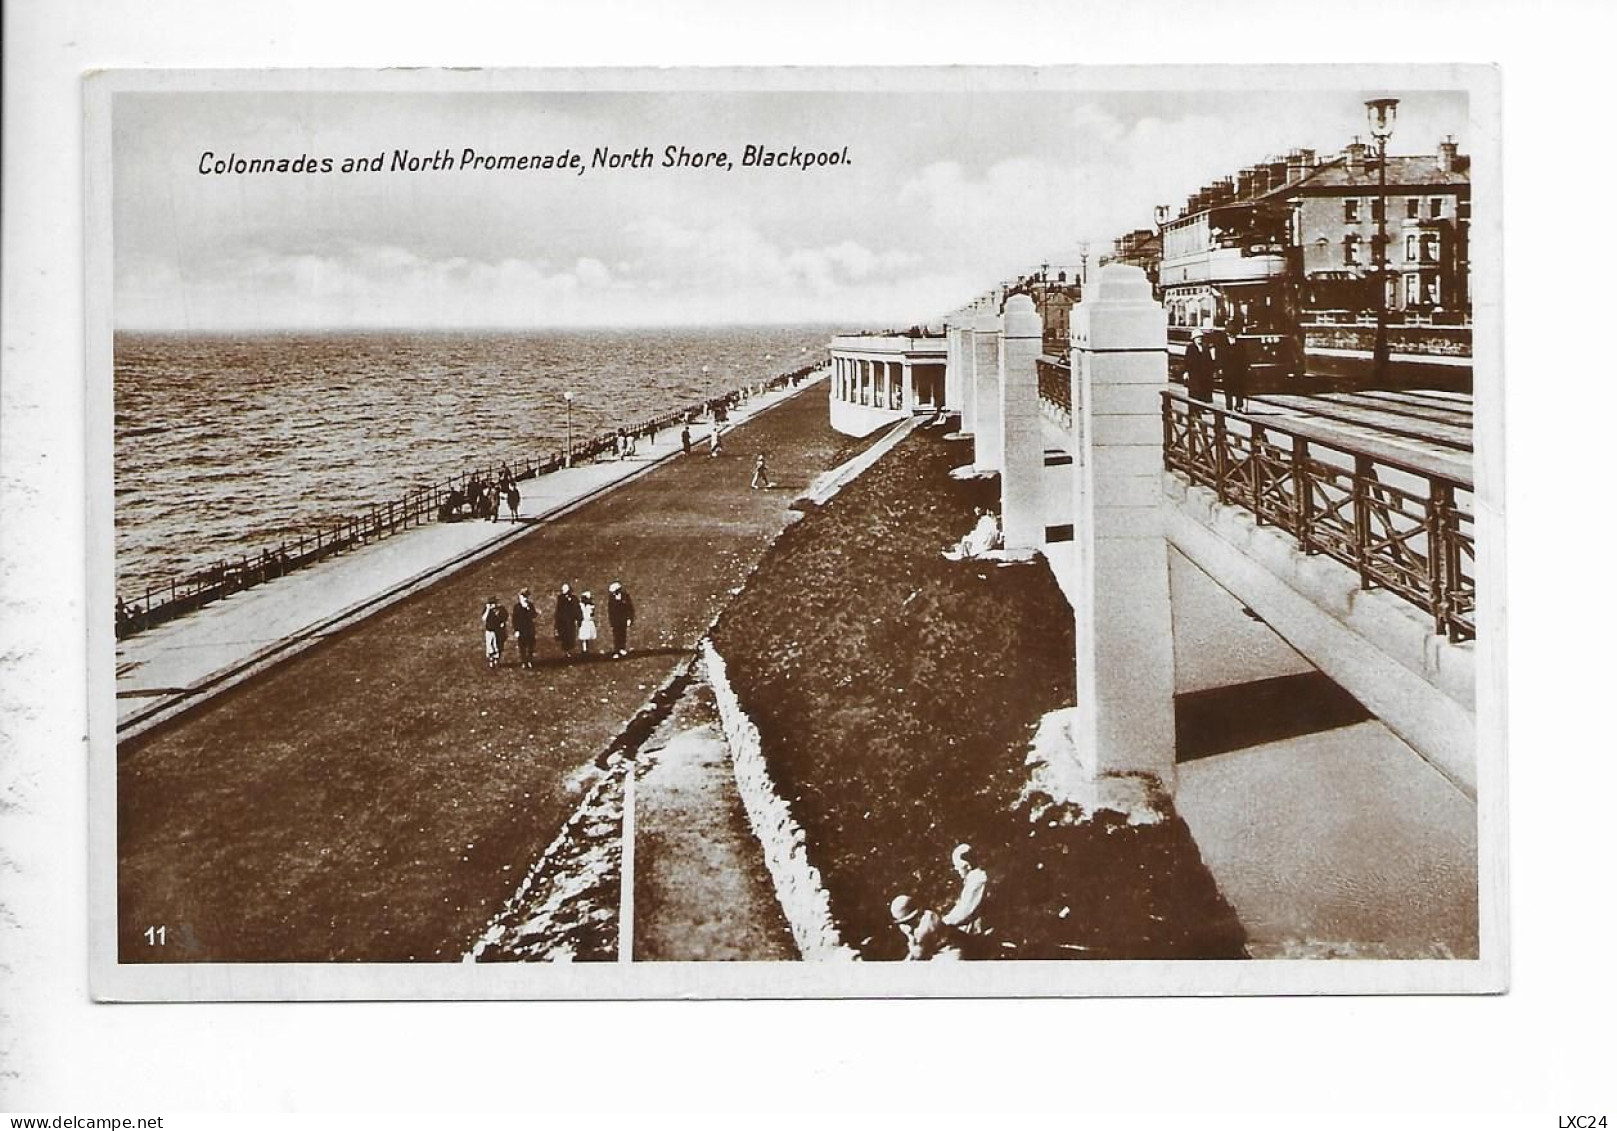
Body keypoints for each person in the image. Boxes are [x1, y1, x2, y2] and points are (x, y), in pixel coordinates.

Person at [889, 895, 962, 961]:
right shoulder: (926, 914)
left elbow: (918, 954)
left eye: (906, 922)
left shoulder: (925, 926)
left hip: (948, 953)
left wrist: (910, 936)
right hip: (936, 953)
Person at [941, 843, 989, 940]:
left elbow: (965, 910)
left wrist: (942, 923)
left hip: (978, 933)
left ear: (967, 866)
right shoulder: (972, 880)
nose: (956, 869)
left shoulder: (978, 880)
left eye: (957, 866)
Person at [1220, 319, 1251, 412]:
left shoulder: (1240, 343)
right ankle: (1229, 405)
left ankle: (1239, 405)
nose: (1232, 335)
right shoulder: (1222, 343)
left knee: (1239, 388)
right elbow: (1220, 356)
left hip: (1238, 369)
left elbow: (1245, 356)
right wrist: (1220, 367)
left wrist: (1247, 366)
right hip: (1227, 369)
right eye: (1230, 333)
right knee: (1228, 387)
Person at [1185, 329, 1217, 406]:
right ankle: (1195, 410)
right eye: (1197, 337)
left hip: (1205, 374)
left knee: (1204, 391)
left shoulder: (1205, 347)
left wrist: (1212, 371)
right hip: (1195, 374)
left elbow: (1209, 361)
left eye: (1200, 337)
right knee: (1195, 391)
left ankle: (1203, 407)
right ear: (1193, 339)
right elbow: (1187, 361)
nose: (1199, 339)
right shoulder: (1190, 348)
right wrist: (1186, 372)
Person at [511, 588, 538, 669]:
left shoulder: (530, 605)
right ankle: (523, 661)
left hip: (529, 629)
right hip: (521, 630)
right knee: (522, 647)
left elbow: (534, 615)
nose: (524, 598)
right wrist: (516, 630)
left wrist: (528, 608)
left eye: (526, 597)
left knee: (530, 646)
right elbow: (514, 620)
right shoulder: (517, 607)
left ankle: (530, 661)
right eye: (522, 597)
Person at [606, 581, 635, 659]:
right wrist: (611, 621)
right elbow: (610, 611)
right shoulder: (612, 599)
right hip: (616, 620)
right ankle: (617, 650)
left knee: (623, 634)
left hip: (623, 619)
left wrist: (629, 618)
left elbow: (630, 608)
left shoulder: (625, 597)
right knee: (616, 635)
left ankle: (622, 648)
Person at [554, 583, 582, 657]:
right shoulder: (560, 599)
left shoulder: (574, 598)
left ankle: (569, 650)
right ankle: (566, 651)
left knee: (571, 636)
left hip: (571, 620)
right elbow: (558, 610)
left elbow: (577, 609)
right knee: (565, 636)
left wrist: (579, 619)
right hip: (563, 621)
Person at [480, 597, 508, 670]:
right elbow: (484, 618)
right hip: (490, 631)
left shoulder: (501, 609)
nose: (493, 605)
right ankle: (491, 661)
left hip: (499, 631)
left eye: (494, 603)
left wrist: (503, 623)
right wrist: (488, 610)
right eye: (491, 604)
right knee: (490, 647)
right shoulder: (487, 610)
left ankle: (497, 660)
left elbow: (505, 617)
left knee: (498, 646)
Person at [577, 590, 599, 655]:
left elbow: (592, 614)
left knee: (588, 635)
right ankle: (584, 649)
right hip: (583, 621)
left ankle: (587, 649)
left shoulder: (591, 606)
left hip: (588, 621)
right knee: (584, 636)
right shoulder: (580, 605)